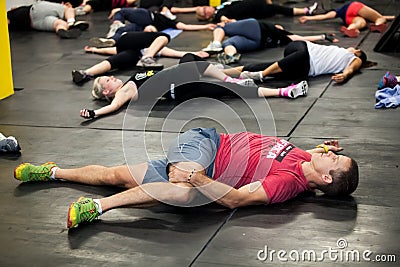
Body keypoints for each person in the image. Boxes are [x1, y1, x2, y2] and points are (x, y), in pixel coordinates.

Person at [14, 126, 359, 228]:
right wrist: (321, 147)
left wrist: (198, 179)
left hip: (199, 165)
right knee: (183, 191)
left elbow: (237, 200)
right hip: (207, 142)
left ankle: (52, 172)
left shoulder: (288, 183)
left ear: (326, 181)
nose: (330, 154)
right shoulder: (307, 157)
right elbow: (316, 153)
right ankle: (97, 207)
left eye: (334, 160)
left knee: (117, 176)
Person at [77, 53, 308, 119]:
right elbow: (115, 106)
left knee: (230, 92)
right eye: (107, 81)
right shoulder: (125, 90)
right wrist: (94, 113)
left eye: (108, 77)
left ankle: (285, 91)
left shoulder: (130, 81)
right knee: (190, 59)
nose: (111, 78)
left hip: (183, 90)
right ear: (107, 91)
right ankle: (234, 78)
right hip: (178, 84)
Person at [72, 31, 210, 85]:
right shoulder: (155, 44)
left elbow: (115, 51)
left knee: (117, 60)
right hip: (129, 40)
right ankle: (147, 58)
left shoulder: (153, 48)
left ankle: (86, 73)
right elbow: (172, 52)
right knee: (164, 37)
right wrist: (195, 53)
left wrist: (96, 50)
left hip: (131, 53)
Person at [202, 18, 338, 65]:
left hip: (254, 27)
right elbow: (300, 39)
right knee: (229, 43)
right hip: (258, 43)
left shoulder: (271, 28)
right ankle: (230, 55)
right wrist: (322, 37)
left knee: (221, 27)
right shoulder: (281, 37)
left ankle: (216, 44)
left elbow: (231, 24)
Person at [227, 41, 367, 84]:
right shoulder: (339, 50)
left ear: (357, 52)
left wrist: (345, 75)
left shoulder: (354, 58)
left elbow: (352, 69)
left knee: (262, 66)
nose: (352, 48)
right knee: (299, 56)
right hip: (302, 48)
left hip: (306, 68)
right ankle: (262, 75)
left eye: (355, 49)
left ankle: (220, 72)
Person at [92, 7, 215, 46]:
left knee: (121, 15)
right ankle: (113, 37)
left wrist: (204, 27)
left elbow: (185, 26)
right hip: (145, 20)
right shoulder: (166, 15)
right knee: (123, 23)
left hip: (147, 19)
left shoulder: (169, 21)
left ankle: (114, 30)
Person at [298, 1, 395, 38]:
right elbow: (380, 17)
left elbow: (324, 16)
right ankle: (377, 25)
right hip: (354, 6)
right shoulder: (341, 8)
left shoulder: (338, 12)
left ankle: (350, 29)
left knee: (360, 22)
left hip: (348, 19)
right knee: (380, 18)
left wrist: (308, 17)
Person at [7, 1, 89, 39]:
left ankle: (63, 30)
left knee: (59, 23)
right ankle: (71, 23)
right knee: (68, 9)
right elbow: (13, 9)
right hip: (33, 12)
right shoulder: (65, 6)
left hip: (32, 22)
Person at [195, 0, 318, 23]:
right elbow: (225, 20)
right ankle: (306, 11)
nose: (207, 9)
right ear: (207, 16)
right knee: (278, 9)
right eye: (205, 11)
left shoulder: (219, 7)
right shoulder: (219, 15)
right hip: (255, 9)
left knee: (277, 7)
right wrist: (229, 21)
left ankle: (306, 10)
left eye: (205, 7)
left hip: (252, 4)